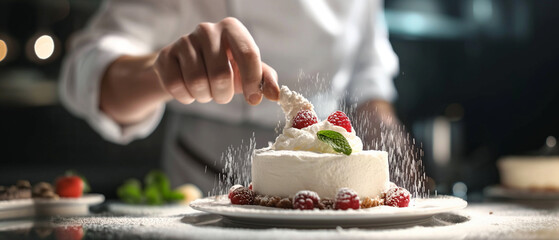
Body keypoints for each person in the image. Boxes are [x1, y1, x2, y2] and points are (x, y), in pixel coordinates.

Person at [59, 0, 400, 194]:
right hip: (203, 172)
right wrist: (162, 72)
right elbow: (84, 68)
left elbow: (368, 76)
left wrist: (386, 140)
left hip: (327, 175)